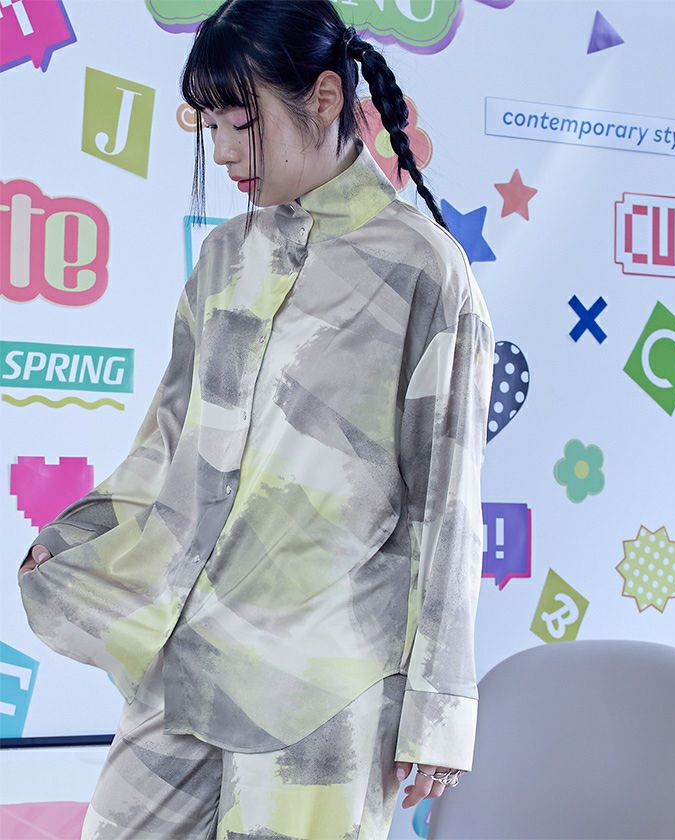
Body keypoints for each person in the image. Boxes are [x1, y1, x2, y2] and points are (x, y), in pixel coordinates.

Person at [17, 1, 495, 837]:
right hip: (189, 648)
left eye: (239, 122)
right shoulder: (224, 258)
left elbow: (446, 502)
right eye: (209, 127)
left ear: (322, 97)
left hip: (329, 685)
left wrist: (439, 706)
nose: (223, 151)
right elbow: (169, 441)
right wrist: (83, 535)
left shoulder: (424, 270)